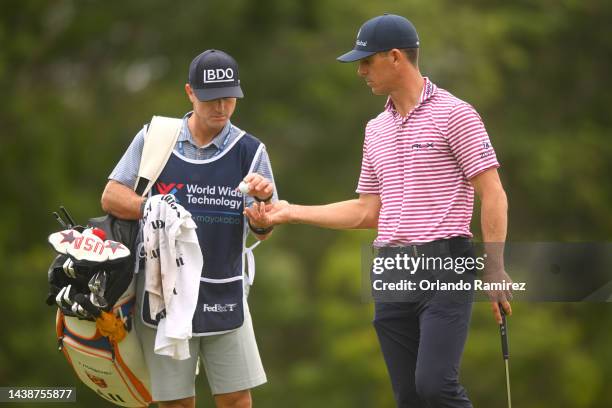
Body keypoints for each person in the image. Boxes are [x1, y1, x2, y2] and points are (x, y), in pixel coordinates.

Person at [245, 14, 512, 408]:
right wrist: (289, 212)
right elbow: (367, 211)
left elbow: (493, 193)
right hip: (391, 269)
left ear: (395, 57)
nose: (361, 71)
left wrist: (495, 265)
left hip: (446, 263)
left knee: (435, 386)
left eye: (366, 61)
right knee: (409, 397)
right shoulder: (376, 130)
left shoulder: (456, 114)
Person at [101, 49, 277, 408]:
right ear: (190, 93)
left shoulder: (251, 151)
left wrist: (262, 217)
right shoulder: (156, 137)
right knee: (176, 402)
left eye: (229, 98)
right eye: (211, 98)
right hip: (161, 291)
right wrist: (151, 206)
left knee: (236, 399)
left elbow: (263, 228)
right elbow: (111, 195)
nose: (221, 108)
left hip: (225, 290)